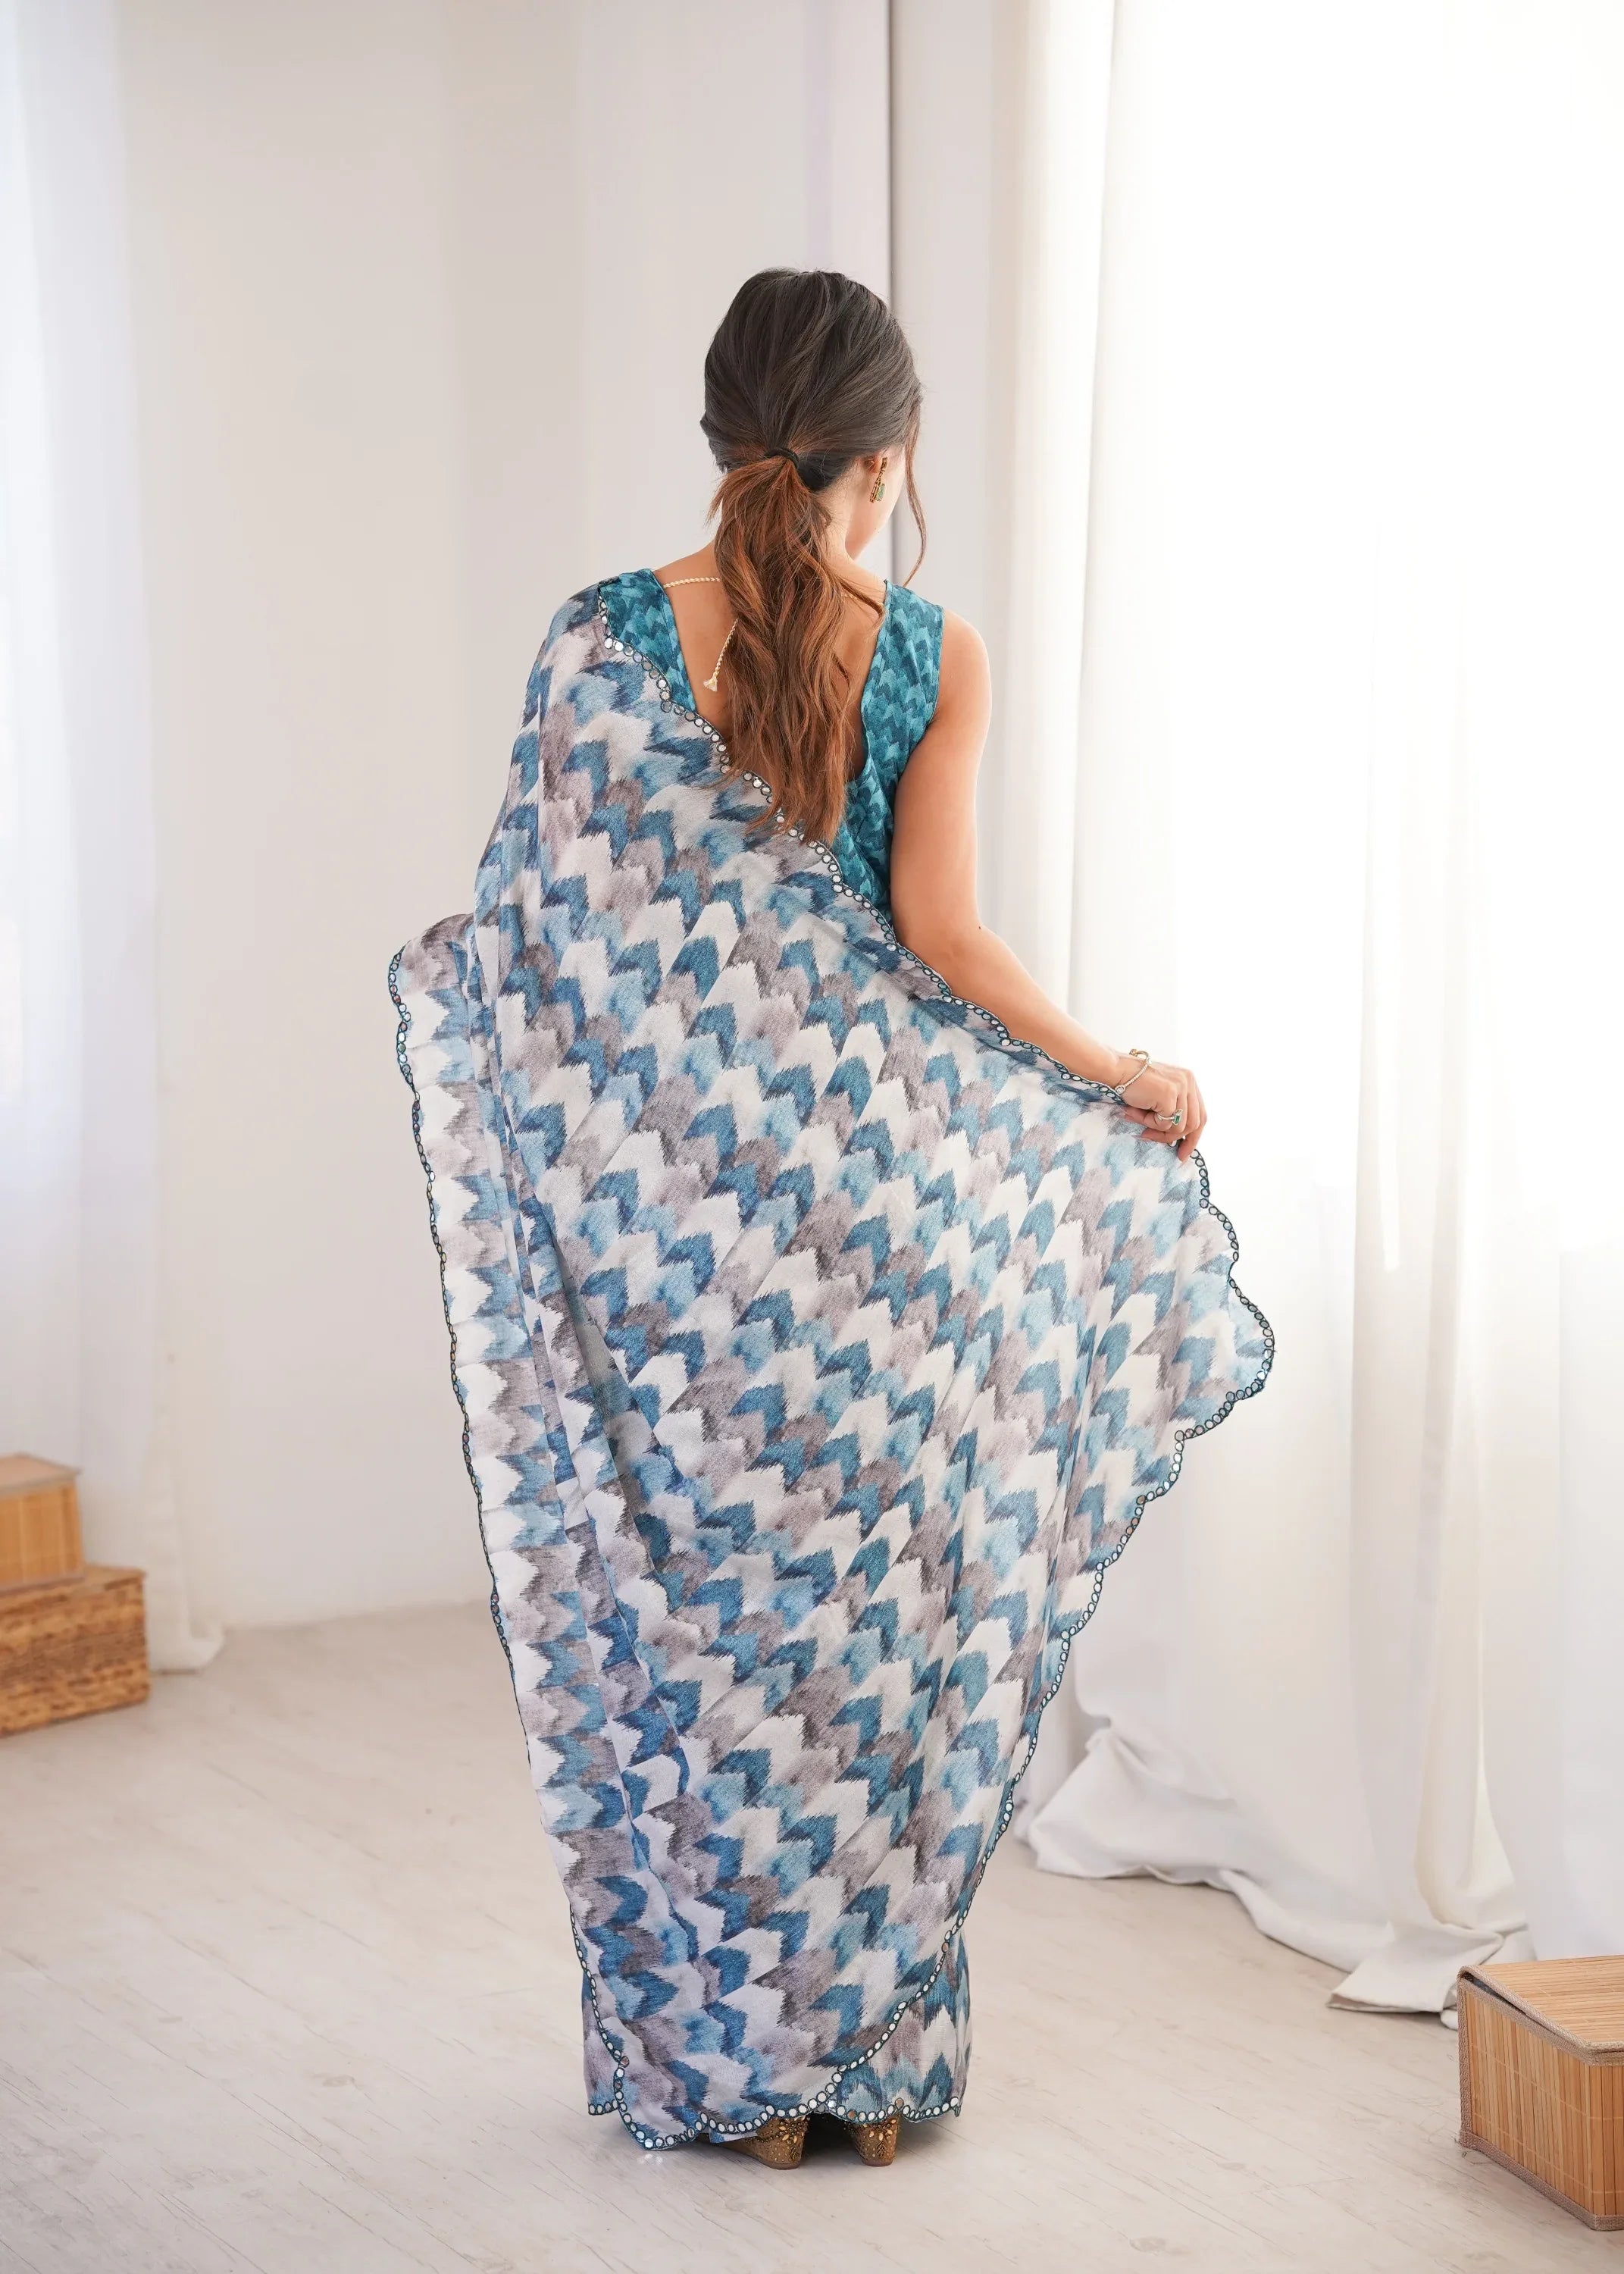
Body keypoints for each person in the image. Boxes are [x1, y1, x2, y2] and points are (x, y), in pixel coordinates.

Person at [390, 268, 1271, 2172]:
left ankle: (741, 2072)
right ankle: (864, 2071)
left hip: (682, 1258)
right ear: (892, 453)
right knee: (874, 1650)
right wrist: (1117, 1068)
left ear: (720, 436)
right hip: (891, 1234)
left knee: (702, 1643)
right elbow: (945, 943)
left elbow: (539, 948)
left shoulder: (600, 641)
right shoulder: (931, 651)